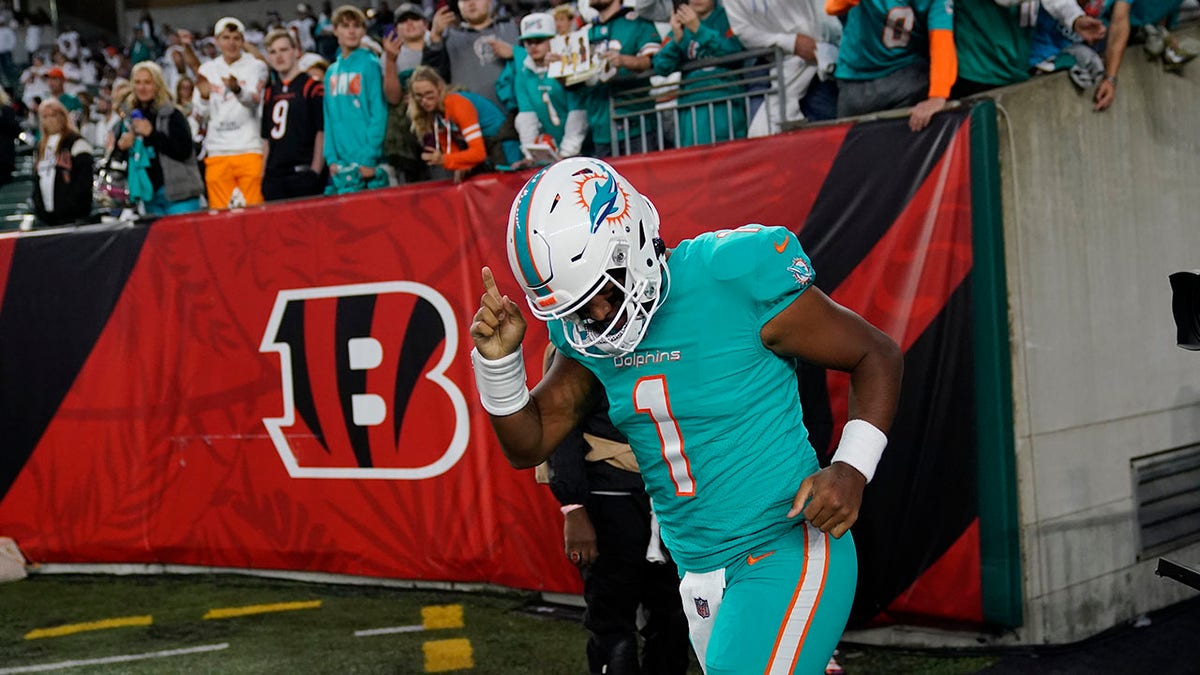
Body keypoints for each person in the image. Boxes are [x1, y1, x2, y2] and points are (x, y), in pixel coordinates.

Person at [470, 157, 902, 673]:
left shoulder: (731, 276)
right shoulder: (588, 338)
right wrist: (499, 366)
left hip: (784, 546)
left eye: (604, 292)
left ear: (630, 238)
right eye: (581, 308)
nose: (601, 317)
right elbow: (529, 442)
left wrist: (851, 467)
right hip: (697, 570)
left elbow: (875, 354)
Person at [544, 346, 692, 675]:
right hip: (611, 491)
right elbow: (560, 421)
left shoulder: (682, 323)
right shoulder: (578, 338)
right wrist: (574, 506)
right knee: (613, 622)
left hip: (677, 488)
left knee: (674, 614)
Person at [827, 0, 956, 132]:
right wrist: (939, 95)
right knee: (850, 146)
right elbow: (832, 8)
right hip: (856, 77)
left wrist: (937, 96)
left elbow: (942, 41)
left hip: (904, 76)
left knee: (903, 144)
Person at [724, 0, 842, 133]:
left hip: (826, 58)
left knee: (830, 135)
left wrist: (825, 45)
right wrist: (792, 43)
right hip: (777, 64)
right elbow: (744, 32)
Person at [193, 17, 269, 208]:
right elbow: (200, 115)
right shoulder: (207, 69)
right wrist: (203, 98)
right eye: (226, 38)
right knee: (221, 219)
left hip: (249, 149)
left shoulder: (256, 66)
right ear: (217, 41)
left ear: (243, 41)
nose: (231, 43)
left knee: (255, 215)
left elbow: (253, 100)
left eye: (236, 38)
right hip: (217, 151)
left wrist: (237, 90)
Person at [651, 0, 747, 147]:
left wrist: (698, 29)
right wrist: (676, 40)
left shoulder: (728, 17)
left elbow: (736, 51)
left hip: (726, 103)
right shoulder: (681, 25)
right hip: (690, 110)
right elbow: (660, 66)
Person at [113, 61, 204, 216]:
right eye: (138, 82)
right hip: (150, 197)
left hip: (179, 196)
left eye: (148, 82)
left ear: (158, 85)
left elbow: (184, 151)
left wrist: (152, 134)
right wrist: (121, 147)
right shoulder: (129, 119)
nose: (142, 87)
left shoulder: (173, 114)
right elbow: (121, 158)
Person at [578, 0, 661, 157]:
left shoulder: (637, 23)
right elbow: (573, 85)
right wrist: (559, 68)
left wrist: (623, 61)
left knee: (640, 180)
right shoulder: (585, 33)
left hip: (635, 123)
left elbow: (655, 61)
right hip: (600, 128)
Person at [324, 4, 389, 195]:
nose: (351, 31)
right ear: (335, 30)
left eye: (356, 26)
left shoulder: (370, 64)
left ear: (363, 30)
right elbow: (328, 118)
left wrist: (369, 158)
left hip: (368, 164)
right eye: (345, 26)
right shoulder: (330, 72)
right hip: (340, 166)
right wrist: (331, 159)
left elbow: (379, 112)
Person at [510, 13, 587, 163]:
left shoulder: (568, 66)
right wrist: (531, 154)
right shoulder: (523, 74)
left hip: (582, 150)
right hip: (553, 153)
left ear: (553, 40)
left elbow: (578, 114)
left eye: (539, 41)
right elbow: (527, 118)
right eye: (528, 42)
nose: (533, 46)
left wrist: (566, 154)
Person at [406, 65, 503, 181]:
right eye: (419, 96)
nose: (424, 101)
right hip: (484, 146)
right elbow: (452, 152)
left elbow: (478, 153)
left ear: (440, 87)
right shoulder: (434, 114)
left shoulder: (457, 105)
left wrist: (443, 159)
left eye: (429, 93)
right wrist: (458, 166)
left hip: (500, 141)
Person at [261, 29, 326, 200]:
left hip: (302, 172)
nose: (278, 56)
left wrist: (315, 170)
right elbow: (267, 138)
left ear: (296, 51)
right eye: (273, 52)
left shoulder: (312, 87)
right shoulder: (270, 92)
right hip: (275, 176)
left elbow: (321, 131)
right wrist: (263, 174)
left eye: (284, 50)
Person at [32, 98, 93, 226]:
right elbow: (36, 181)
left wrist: (71, 207)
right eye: (45, 116)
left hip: (73, 219)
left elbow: (84, 183)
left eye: (53, 115)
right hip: (47, 219)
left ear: (62, 116)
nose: (49, 120)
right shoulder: (40, 147)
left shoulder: (77, 143)